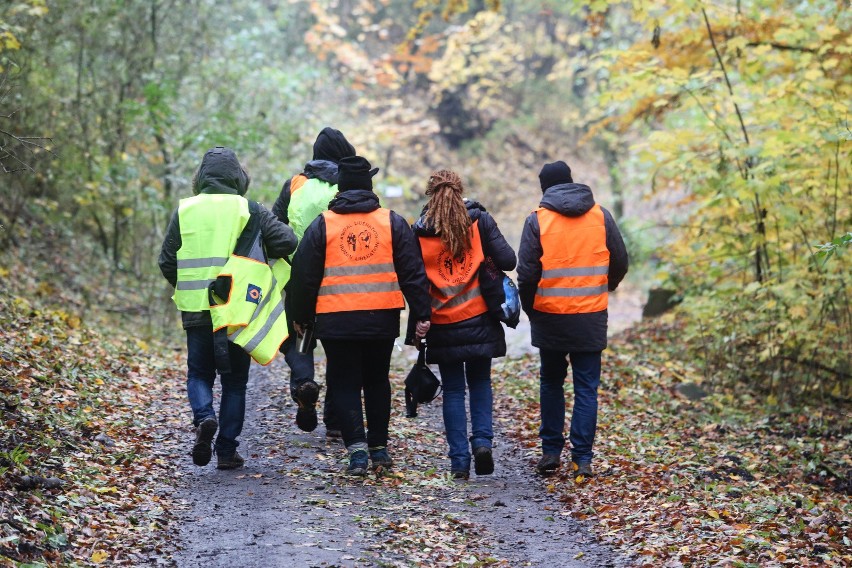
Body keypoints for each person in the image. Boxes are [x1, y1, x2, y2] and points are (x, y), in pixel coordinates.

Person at [288, 155, 432, 476]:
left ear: (340, 187)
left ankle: (356, 451)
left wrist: (301, 316)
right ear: (369, 185)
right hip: (381, 318)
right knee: (377, 380)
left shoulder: (324, 224)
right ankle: (379, 448)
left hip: (336, 320)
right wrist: (422, 313)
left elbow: (303, 275)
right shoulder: (391, 222)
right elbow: (413, 273)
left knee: (344, 381)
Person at [158, 147, 298, 470]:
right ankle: (226, 451)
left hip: (196, 311)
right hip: (237, 311)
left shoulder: (185, 210)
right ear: (238, 177)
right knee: (234, 382)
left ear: (201, 178)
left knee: (198, 373)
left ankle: (204, 416)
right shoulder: (250, 209)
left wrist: (189, 286)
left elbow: (166, 260)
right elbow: (287, 242)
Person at [517, 160, 628, 479]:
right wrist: (604, 287)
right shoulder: (600, 216)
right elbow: (620, 260)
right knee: (586, 387)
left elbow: (526, 274)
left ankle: (551, 452)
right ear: (570, 182)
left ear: (545, 189)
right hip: (590, 316)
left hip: (550, 316)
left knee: (551, 382)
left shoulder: (538, 220)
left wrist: (532, 309)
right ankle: (582, 458)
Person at [406, 170, 516, 480]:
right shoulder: (479, 220)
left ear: (431, 193)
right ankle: (482, 443)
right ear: (460, 189)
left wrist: (419, 321)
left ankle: (458, 462)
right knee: (480, 382)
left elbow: (415, 280)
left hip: (443, 321)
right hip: (480, 316)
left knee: (454, 390)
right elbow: (508, 259)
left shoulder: (420, 230)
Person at [272, 127, 356, 436]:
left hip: (298, 278)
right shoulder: (350, 184)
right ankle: (335, 423)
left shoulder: (296, 184)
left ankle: (304, 383)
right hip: (341, 280)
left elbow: (275, 227)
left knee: (299, 339)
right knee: (338, 349)